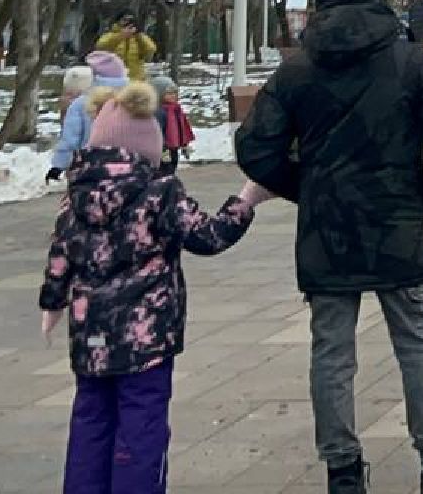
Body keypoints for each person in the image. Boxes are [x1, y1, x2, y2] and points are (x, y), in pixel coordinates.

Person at [237, 0, 423, 494]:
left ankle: (343, 471)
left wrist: (308, 188)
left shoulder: (297, 70)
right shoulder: (413, 63)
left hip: (329, 230)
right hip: (397, 220)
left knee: (331, 350)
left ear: (322, 4)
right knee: (416, 342)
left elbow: (254, 147)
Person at [38, 79, 271, 492]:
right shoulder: (159, 191)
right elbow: (207, 237)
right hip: (145, 340)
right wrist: (246, 199)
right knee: (141, 427)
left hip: (88, 334)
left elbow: (61, 253)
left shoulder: (77, 192)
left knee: (90, 421)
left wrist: (52, 303)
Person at [46, 52, 129, 184]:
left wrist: (59, 165)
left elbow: (70, 139)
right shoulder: (132, 102)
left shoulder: (81, 104)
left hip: (89, 167)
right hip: (126, 168)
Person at [150, 75, 196, 177]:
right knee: (163, 172)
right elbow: (157, 131)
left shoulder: (176, 109)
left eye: (175, 93)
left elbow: (182, 127)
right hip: (163, 150)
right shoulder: (158, 112)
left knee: (172, 169)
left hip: (174, 147)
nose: (173, 96)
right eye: (169, 93)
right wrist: (162, 148)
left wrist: (184, 144)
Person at [95, 17, 159, 81]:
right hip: (114, 79)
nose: (127, 22)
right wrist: (121, 36)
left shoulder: (140, 37)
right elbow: (100, 47)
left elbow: (151, 49)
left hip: (136, 79)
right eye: (124, 19)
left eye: (130, 20)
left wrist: (139, 35)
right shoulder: (110, 35)